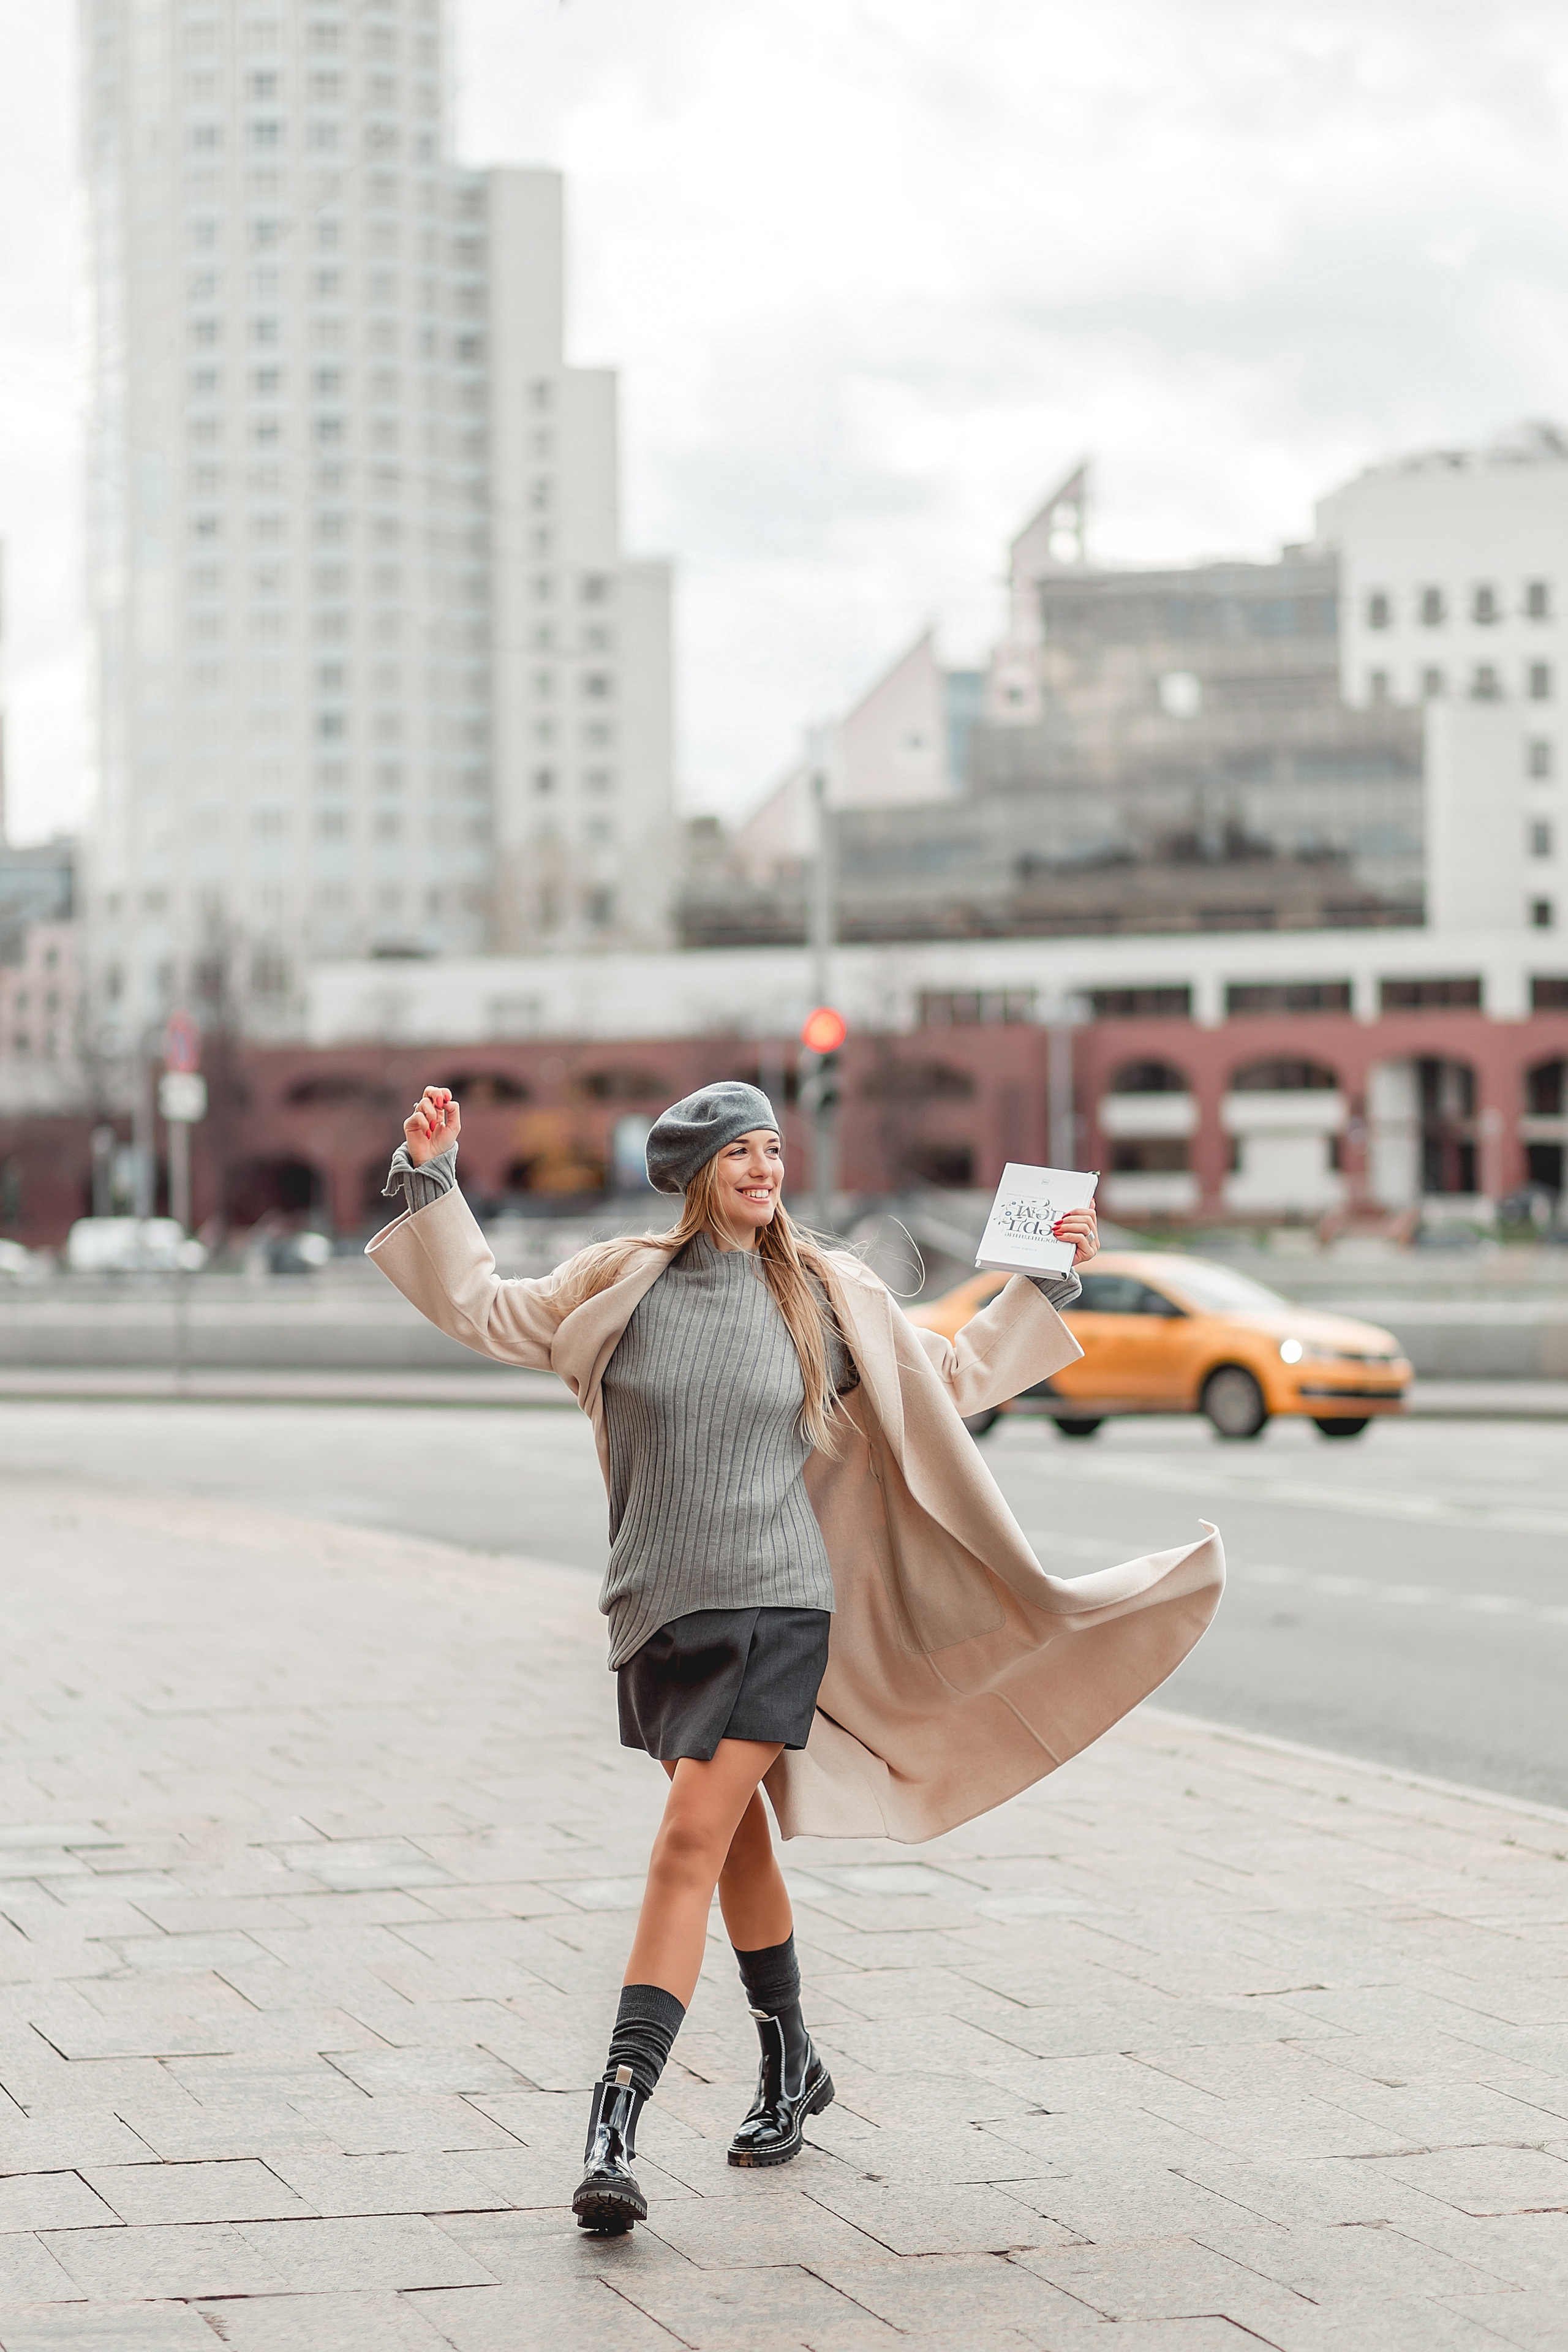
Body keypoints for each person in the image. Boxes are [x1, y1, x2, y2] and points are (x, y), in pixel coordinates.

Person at [368, 1079, 1222, 2235]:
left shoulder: (826, 1295)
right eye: (742, 1155)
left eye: (775, 1151)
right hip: (658, 1613)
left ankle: (614, 2123)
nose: (766, 1171)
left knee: (684, 1843)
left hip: (779, 1610)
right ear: (695, 1174)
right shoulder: (621, 1286)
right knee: (731, 1838)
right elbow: (484, 1306)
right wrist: (433, 1177)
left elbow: (951, 1380)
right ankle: (792, 2062)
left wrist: (1047, 1282)